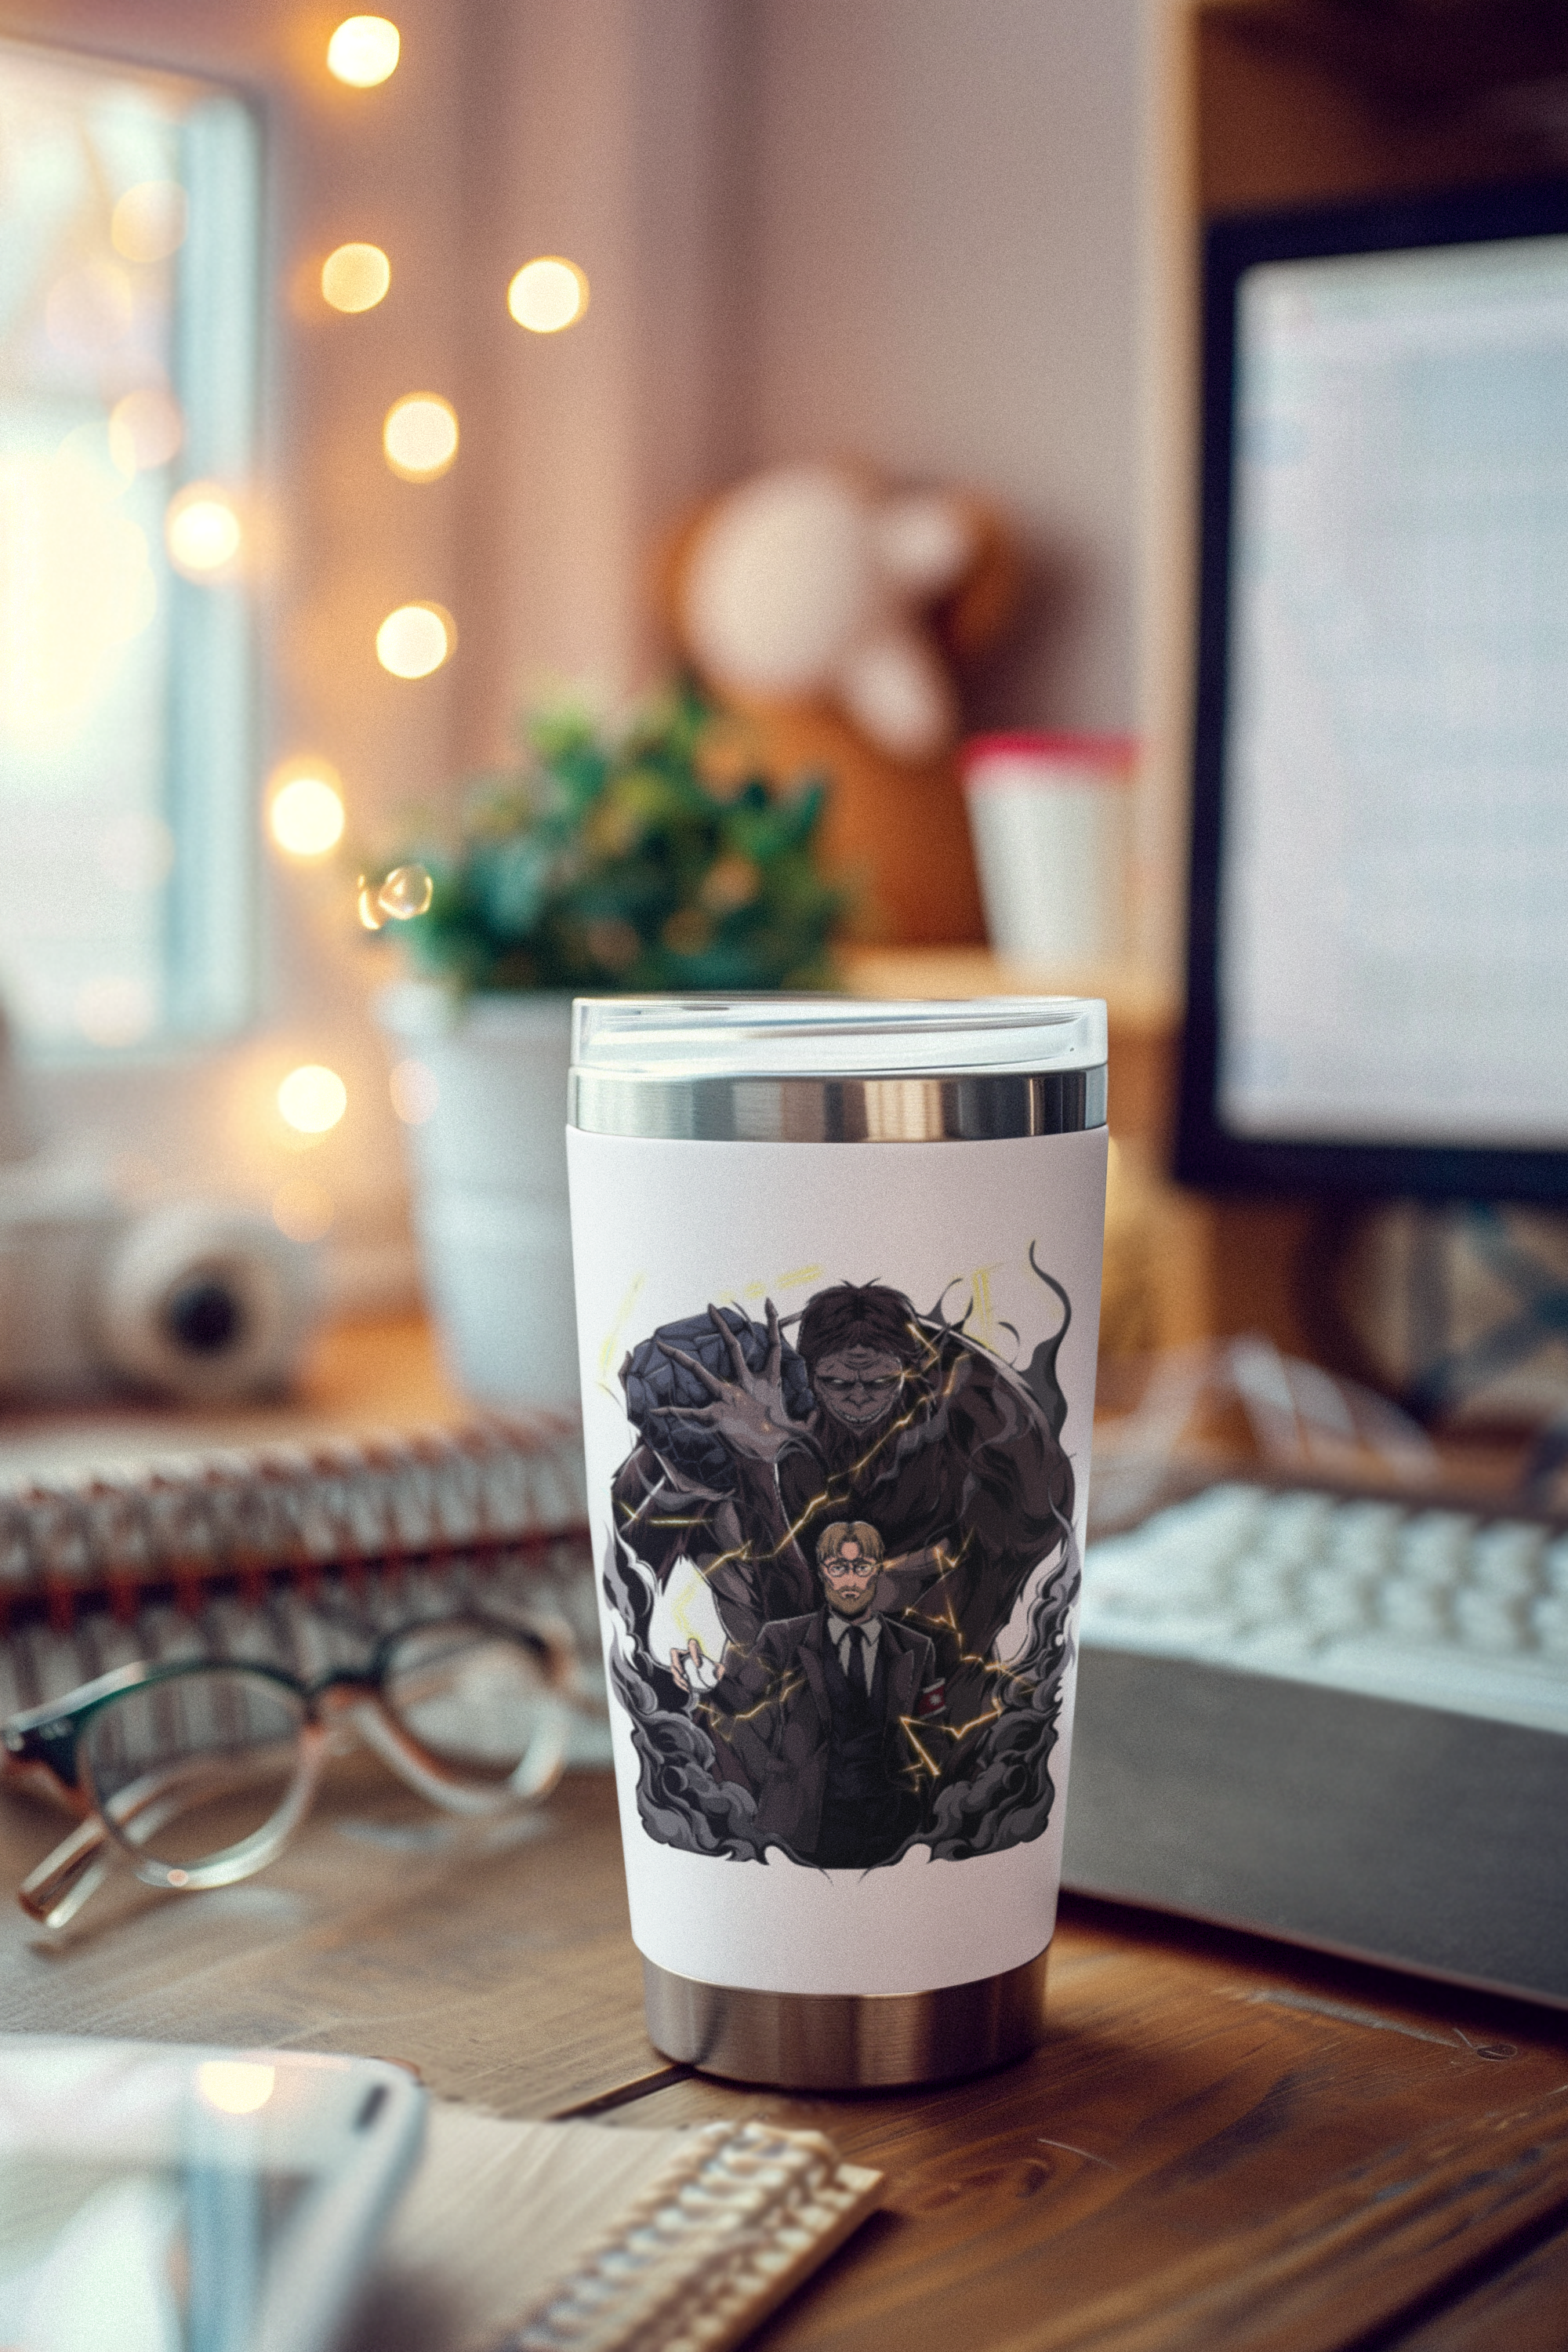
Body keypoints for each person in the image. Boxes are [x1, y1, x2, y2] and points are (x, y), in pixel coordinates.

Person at [617, 1276, 1073, 1730]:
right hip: (782, 1635)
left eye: (878, 1382)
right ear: (807, 1372)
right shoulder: (762, 1399)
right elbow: (636, 1525)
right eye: (836, 1381)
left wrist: (935, 1597)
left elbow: (1038, 1509)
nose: (857, 1397)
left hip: (929, 1614)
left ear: (911, 1374)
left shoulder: (981, 1413)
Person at [671, 1521, 944, 1868]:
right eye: (838, 1568)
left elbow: (933, 1735)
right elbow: (744, 1698)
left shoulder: (917, 1649)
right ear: (823, 1572)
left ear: (877, 1571)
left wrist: (928, 1807)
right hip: (806, 1821)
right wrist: (710, 1681)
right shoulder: (782, 1640)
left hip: (892, 1824)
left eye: (861, 1567)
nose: (850, 1581)